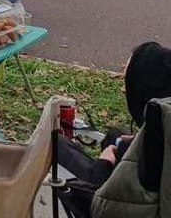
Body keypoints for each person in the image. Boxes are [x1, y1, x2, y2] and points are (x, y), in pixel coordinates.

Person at [59, 41, 171, 217]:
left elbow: (109, 207)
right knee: (115, 135)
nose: (125, 91)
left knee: (57, 145)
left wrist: (102, 166)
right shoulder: (165, 121)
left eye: (129, 84)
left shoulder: (151, 156)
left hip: (112, 204)